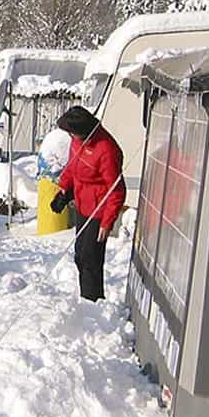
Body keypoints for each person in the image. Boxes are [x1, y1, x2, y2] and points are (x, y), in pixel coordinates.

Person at [50, 105, 125, 300]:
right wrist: (64, 191)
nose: (70, 137)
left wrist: (107, 222)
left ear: (83, 131)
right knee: (80, 256)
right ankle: (87, 298)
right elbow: (72, 167)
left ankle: (93, 303)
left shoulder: (106, 150)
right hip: (83, 205)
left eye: (72, 133)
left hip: (99, 212)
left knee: (90, 260)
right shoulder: (77, 142)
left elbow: (116, 190)